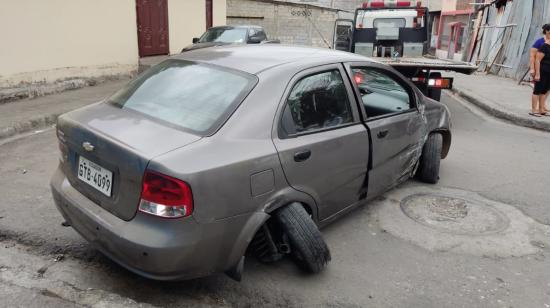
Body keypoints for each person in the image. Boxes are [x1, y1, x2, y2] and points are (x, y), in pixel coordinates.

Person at [533, 24, 550, 116]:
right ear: (547, 32)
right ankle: (534, 110)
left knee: (544, 91)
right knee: (537, 90)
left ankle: (541, 109)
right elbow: (537, 60)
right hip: (543, 71)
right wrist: (537, 74)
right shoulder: (544, 46)